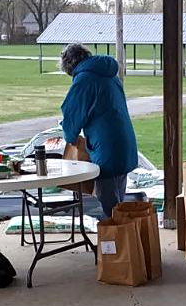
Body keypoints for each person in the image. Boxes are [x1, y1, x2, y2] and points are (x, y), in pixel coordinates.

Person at [59, 44, 138, 218]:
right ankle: (125, 239)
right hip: (124, 143)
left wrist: (69, 134)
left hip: (105, 148)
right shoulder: (110, 74)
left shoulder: (85, 79)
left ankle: (116, 241)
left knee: (109, 205)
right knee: (119, 203)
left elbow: (72, 114)